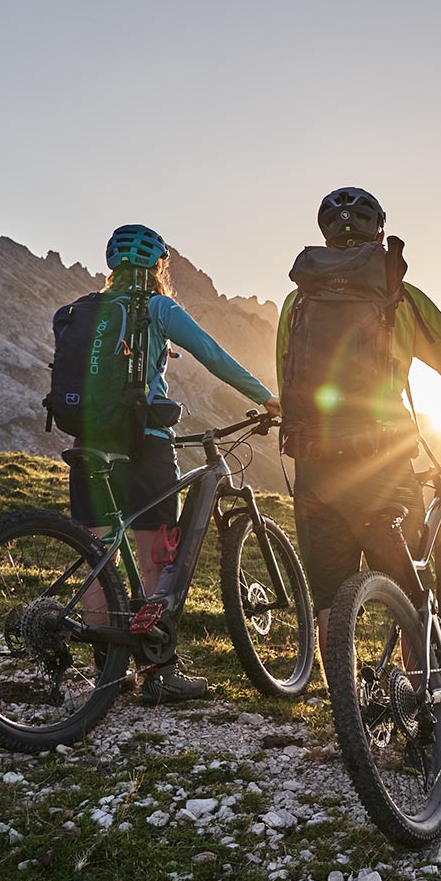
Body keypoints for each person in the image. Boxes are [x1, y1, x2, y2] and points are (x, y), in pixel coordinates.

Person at [276, 187, 441, 763]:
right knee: (412, 592)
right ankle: (428, 734)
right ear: (378, 232)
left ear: (325, 236)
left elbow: (287, 388)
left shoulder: (295, 306)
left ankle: (351, 726)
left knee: (329, 600)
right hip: (382, 462)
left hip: (316, 470)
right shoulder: (400, 296)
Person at [64, 223, 282, 703]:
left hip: (87, 441)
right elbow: (212, 355)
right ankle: (159, 673)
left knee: (99, 558)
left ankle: (109, 675)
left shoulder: (85, 311)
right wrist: (266, 398)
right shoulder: (157, 308)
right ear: (159, 266)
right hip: (144, 444)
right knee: (156, 558)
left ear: (113, 266)